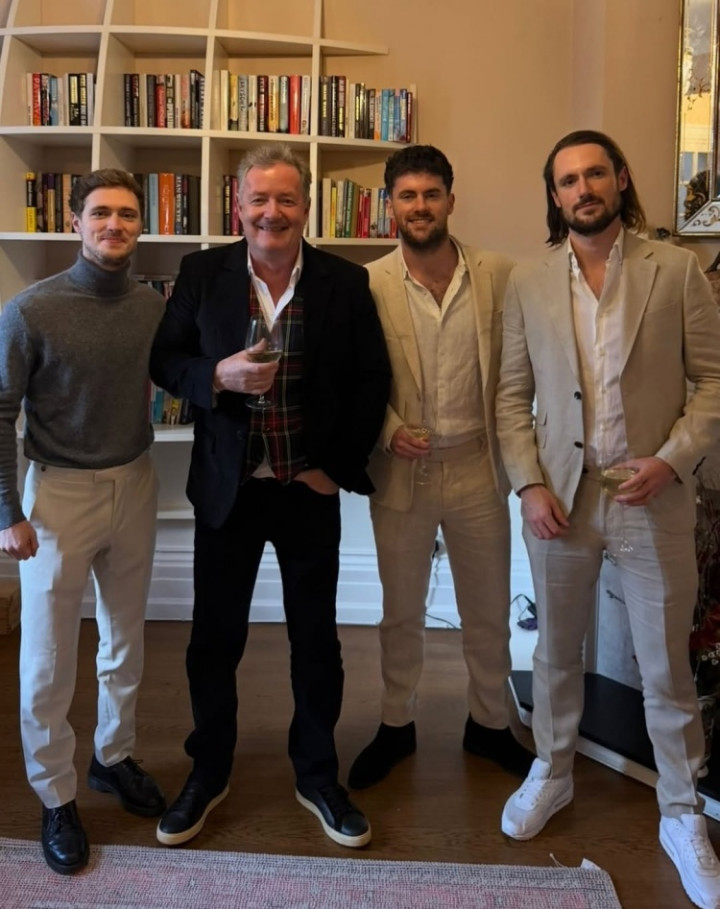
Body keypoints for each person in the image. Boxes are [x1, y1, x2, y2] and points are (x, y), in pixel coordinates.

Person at [495, 129, 720, 909]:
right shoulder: (527, 281)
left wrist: (674, 458)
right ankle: (551, 771)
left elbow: (713, 381)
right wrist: (528, 484)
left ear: (620, 179)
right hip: (561, 499)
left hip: (651, 494)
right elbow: (510, 397)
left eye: (595, 173)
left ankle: (681, 811)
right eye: (567, 180)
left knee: (665, 665)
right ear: (554, 195)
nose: (582, 189)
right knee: (556, 651)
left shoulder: (676, 270)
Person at [150, 143, 390, 850]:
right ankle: (208, 770)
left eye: (287, 199)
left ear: (306, 207)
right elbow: (165, 360)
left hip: (307, 488)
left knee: (316, 640)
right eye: (259, 198)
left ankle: (317, 775)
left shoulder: (346, 281)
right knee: (212, 639)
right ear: (239, 206)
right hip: (227, 489)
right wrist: (216, 376)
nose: (272, 212)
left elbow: (371, 381)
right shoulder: (202, 273)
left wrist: (335, 467)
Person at [347, 145, 534, 792]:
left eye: (431, 194)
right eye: (408, 195)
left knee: (488, 610)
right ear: (390, 205)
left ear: (451, 199)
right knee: (400, 611)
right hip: (403, 473)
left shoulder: (499, 275)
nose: (420, 206)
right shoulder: (367, 283)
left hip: (479, 468)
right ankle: (396, 723)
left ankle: (489, 723)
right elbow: (354, 377)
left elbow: (518, 371)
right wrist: (388, 430)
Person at [0, 169, 167, 875]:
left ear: (141, 225)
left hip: (136, 480)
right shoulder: (30, 310)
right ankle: (55, 793)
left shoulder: (152, 306)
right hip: (58, 494)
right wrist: (7, 513)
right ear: (74, 222)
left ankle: (113, 756)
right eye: (100, 213)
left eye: (127, 214)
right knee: (47, 655)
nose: (114, 225)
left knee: (125, 638)